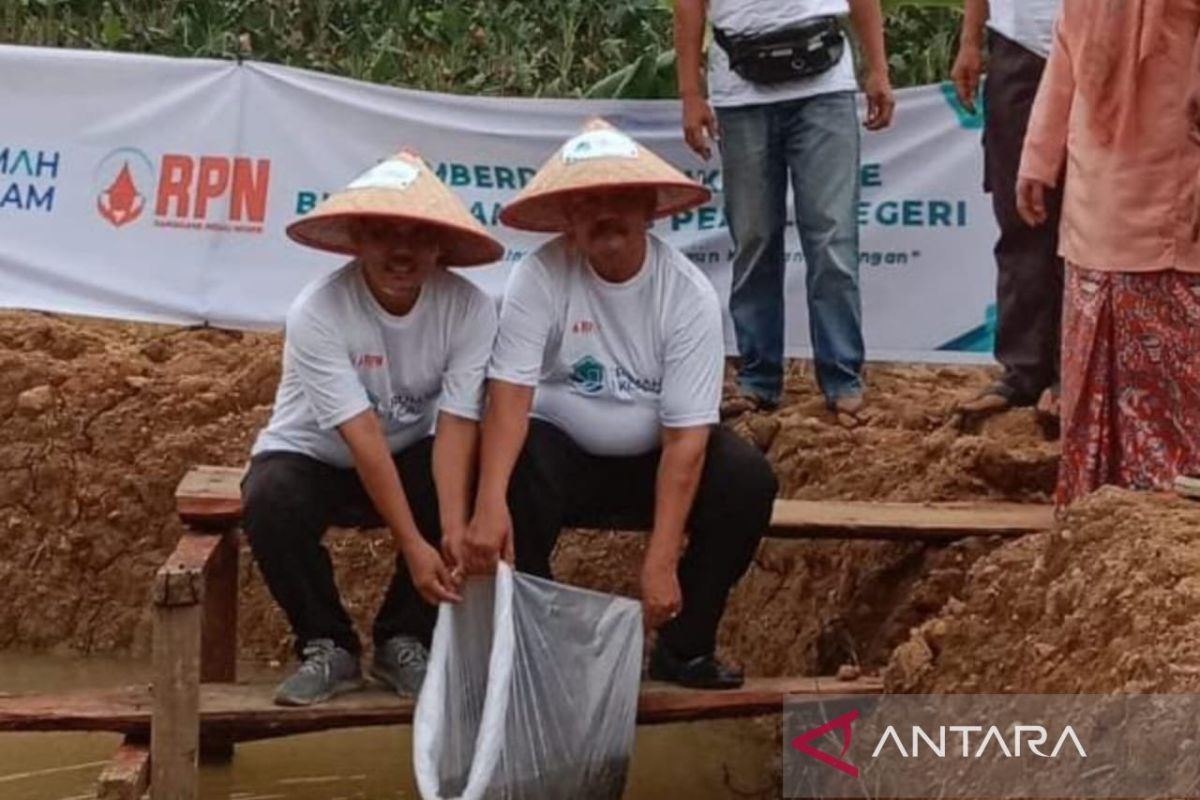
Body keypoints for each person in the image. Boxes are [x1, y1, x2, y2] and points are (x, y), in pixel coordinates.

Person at [464, 120, 779, 690]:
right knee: (511, 468)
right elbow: (509, 396)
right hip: (563, 456)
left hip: (652, 460)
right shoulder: (538, 275)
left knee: (746, 479)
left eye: (619, 200)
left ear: (648, 210)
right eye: (587, 202)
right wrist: (487, 505)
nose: (604, 214)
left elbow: (686, 438)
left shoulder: (686, 294)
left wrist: (659, 561)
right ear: (566, 218)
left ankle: (684, 648)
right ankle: (537, 649)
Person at [241, 150, 504, 706]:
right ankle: (327, 644)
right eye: (383, 234)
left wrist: (452, 530)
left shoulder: (471, 309)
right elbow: (360, 434)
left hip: (410, 453)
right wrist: (414, 544)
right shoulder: (319, 310)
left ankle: (404, 637)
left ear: (440, 247)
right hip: (317, 456)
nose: (401, 251)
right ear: (358, 241)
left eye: (417, 235)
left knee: (464, 476)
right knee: (269, 496)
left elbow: (458, 422)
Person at [673, 0, 894, 426]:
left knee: (833, 238)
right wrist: (690, 92)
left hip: (824, 84)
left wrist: (878, 68)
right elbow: (688, 5)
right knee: (754, 239)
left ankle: (842, 377)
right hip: (739, 89)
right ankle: (758, 379)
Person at [1017, 0, 1200, 505]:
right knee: (1093, 339)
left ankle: (1171, 501)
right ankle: (1094, 504)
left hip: (1175, 178)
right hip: (1094, 187)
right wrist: (1037, 159)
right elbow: (1064, 57)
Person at [952, 0, 1063, 426]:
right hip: (1017, 48)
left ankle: (1070, 373)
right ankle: (1022, 370)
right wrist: (969, 40)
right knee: (1020, 218)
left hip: (1094, 47)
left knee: (1083, 220)